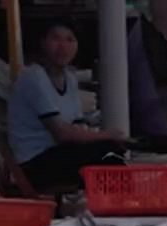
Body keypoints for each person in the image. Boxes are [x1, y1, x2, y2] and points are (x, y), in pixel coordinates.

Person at [8, 20, 127, 191]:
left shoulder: (69, 78)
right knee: (106, 151)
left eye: (70, 40)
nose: (62, 46)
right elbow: (62, 133)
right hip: (35, 161)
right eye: (55, 39)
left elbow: (76, 124)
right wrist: (107, 134)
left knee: (111, 151)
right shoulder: (33, 77)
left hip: (59, 152)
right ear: (43, 42)